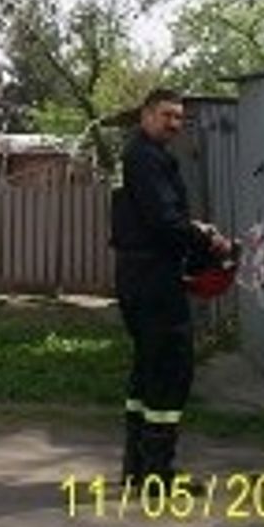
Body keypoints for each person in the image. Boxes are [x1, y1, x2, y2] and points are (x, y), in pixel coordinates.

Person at [110, 87, 229, 492]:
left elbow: (158, 217)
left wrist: (194, 229)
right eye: (166, 115)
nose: (174, 124)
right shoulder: (145, 157)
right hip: (153, 277)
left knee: (148, 367)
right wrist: (207, 242)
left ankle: (136, 470)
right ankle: (157, 476)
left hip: (138, 273)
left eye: (179, 118)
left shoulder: (140, 156)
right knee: (171, 367)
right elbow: (164, 221)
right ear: (145, 115)